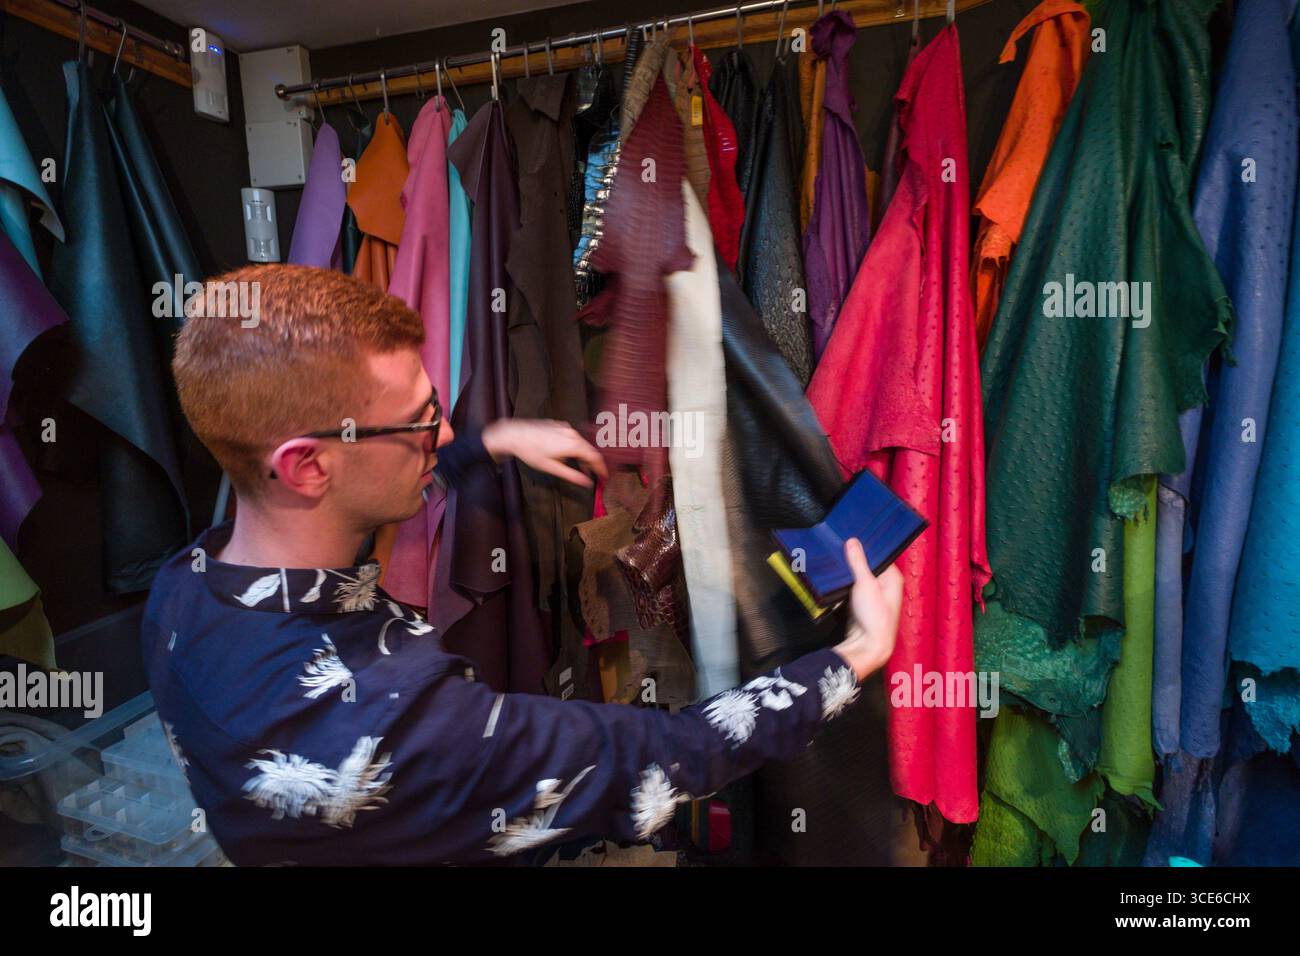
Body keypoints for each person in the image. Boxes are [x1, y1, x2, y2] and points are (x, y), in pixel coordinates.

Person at [143, 264, 903, 865]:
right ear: (307, 465)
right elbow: (662, 757)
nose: (442, 433)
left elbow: (348, 498)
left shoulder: (187, 584)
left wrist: (491, 442)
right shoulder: (393, 726)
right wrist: (856, 655)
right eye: (419, 421)